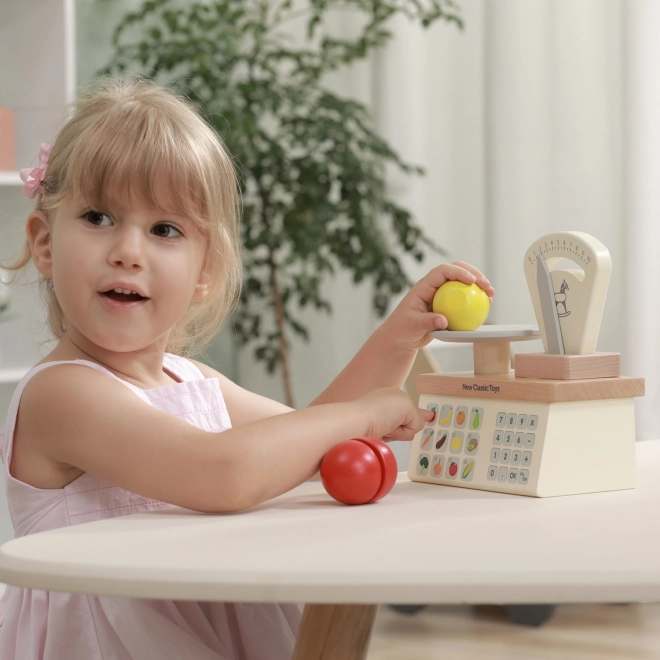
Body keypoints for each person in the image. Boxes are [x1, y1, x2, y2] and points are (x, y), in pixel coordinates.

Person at [0, 76, 495, 660]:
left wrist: (398, 337)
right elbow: (224, 474)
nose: (128, 250)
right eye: (99, 217)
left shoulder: (193, 383)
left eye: (164, 230)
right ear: (45, 243)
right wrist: (366, 413)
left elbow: (308, 441)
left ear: (204, 270)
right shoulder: (62, 395)